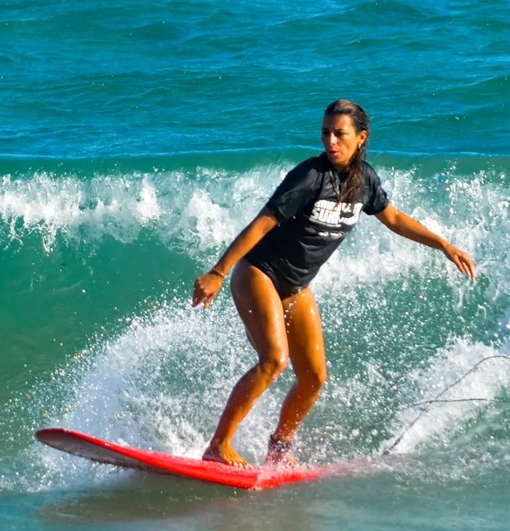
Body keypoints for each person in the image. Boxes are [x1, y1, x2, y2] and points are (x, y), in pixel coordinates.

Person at [191, 99, 476, 468]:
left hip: (295, 286)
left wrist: (443, 244)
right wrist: (218, 271)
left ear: (361, 138)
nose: (331, 142)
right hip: (259, 273)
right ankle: (218, 446)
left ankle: (278, 449)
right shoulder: (310, 176)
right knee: (274, 361)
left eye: (339, 134)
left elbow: (393, 218)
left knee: (313, 377)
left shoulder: (365, 181)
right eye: (325, 133)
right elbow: (262, 223)